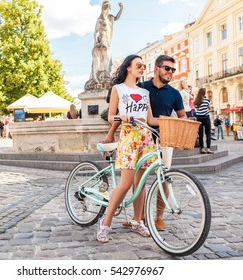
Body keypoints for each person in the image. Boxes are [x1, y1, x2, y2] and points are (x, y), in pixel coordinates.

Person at [97, 54, 158, 243]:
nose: (142, 68)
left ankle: (137, 221)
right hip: (129, 137)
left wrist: (168, 120)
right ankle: (105, 223)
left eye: (144, 65)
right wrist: (121, 118)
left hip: (146, 137)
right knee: (125, 183)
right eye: (138, 65)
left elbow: (150, 120)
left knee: (140, 184)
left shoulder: (145, 93)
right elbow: (110, 117)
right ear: (128, 68)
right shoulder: (118, 89)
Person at [85, 1, 123, 90]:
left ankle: (104, 72)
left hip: (107, 39)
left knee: (106, 56)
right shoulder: (100, 19)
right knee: (102, 56)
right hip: (101, 39)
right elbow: (96, 32)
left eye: (108, 8)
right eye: (105, 8)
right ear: (103, 9)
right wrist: (96, 41)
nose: (107, 10)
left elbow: (117, 17)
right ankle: (99, 74)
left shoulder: (110, 18)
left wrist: (121, 9)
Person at [195, 88, 214, 154]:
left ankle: (202, 148)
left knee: (201, 134)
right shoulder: (207, 100)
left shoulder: (196, 101)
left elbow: (196, 109)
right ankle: (208, 148)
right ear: (204, 93)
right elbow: (209, 107)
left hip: (199, 118)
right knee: (208, 133)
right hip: (206, 117)